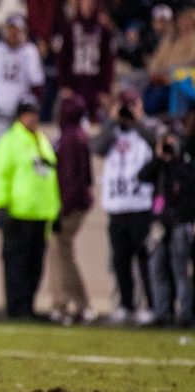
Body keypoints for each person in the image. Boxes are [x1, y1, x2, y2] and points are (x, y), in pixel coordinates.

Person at [0, 97, 60, 319]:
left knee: (34, 266)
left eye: (35, 113)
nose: (33, 118)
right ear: (19, 116)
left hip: (40, 213)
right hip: (18, 212)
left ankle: (28, 307)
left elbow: (50, 179)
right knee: (16, 265)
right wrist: (0, 205)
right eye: (28, 113)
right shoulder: (10, 141)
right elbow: (0, 175)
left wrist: (55, 210)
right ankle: (16, 308)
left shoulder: (42, 141)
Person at [91, 89, 156, 325]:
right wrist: (112, 119)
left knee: (144, 260)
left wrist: (137, 120)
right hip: (117, 207)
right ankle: (126, 305)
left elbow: (156, 142)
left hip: (141, 205)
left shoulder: (147, 129)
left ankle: (150, 305)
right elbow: (96, 147)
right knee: (120, 261)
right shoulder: (113, 132)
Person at [137, 127, 195, 327]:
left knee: (181, 269)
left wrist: (175, 161)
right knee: (157, 268)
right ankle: (162, 311)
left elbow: (188, 185)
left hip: (180, 222)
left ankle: (185, 313)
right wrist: (159, 158)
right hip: (160, 224)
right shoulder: (160, 165)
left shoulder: (186, 164)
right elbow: (142, 175)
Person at [48, 94, 94, 324]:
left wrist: (62, 210)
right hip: (76, 203)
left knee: (59, 252)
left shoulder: (70, 138)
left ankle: (64, 304)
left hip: (70, 206)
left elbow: (70, 179)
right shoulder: (78, 136)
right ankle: (78, 304)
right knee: (62, 253)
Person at [0, 15, 44, 117]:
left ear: (24, 32)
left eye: (17, 30)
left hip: (21, 109)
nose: (13, 33)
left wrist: (31, 108)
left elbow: (37, 83)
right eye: (11, 29)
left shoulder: (30, 51)